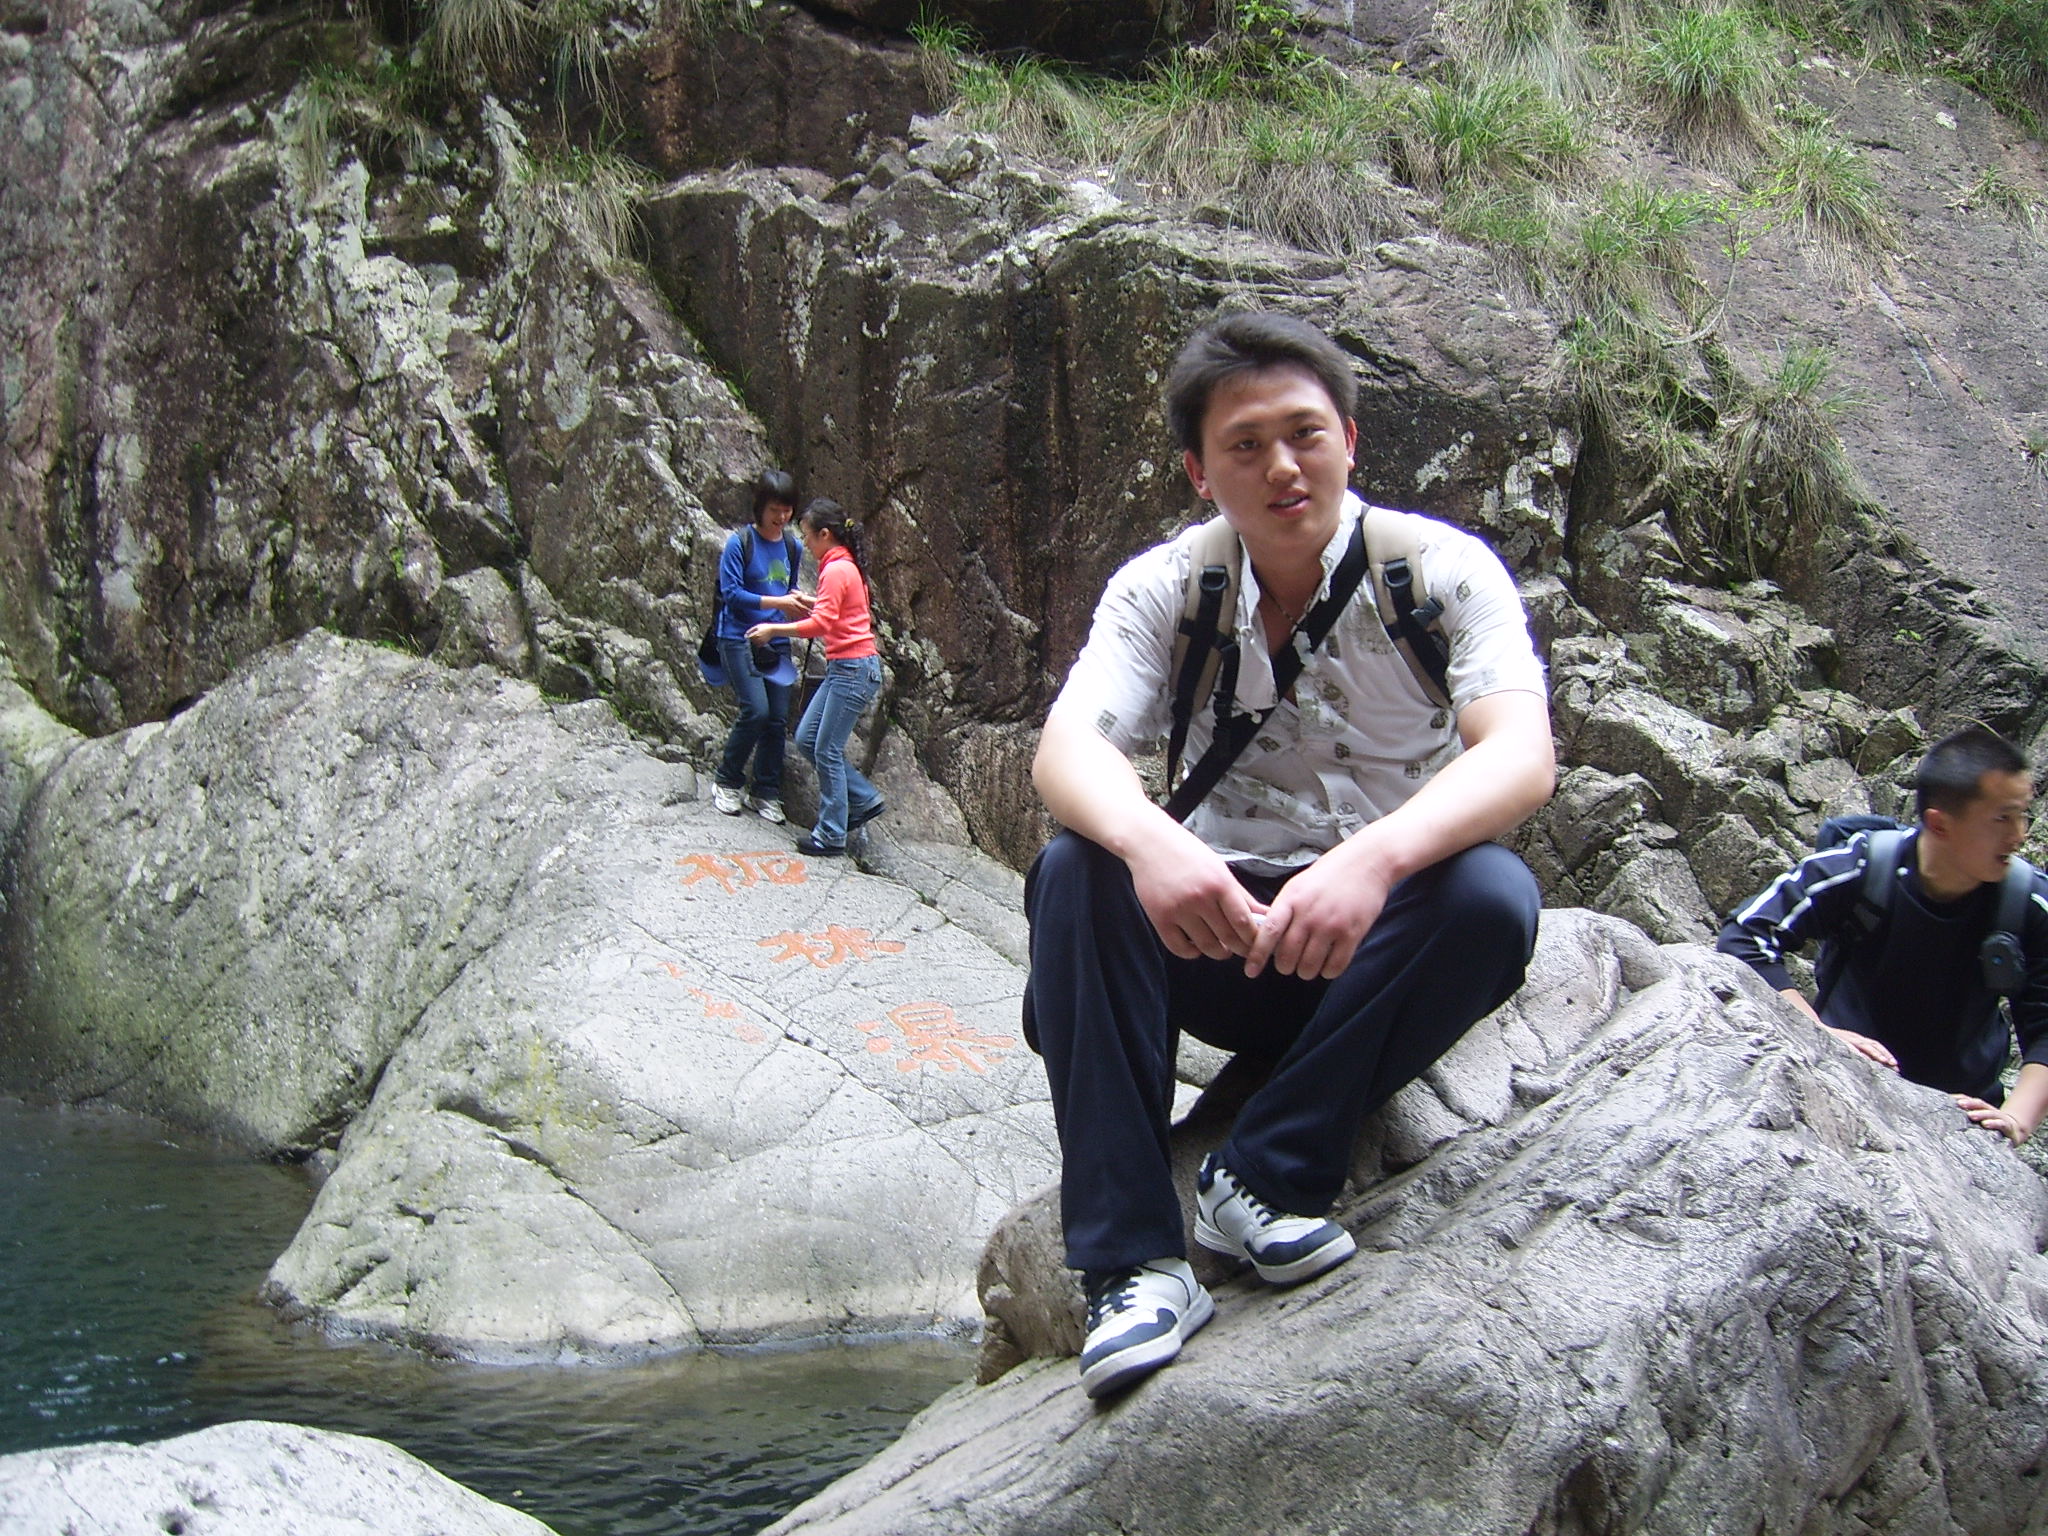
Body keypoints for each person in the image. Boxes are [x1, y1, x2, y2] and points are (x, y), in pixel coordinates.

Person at [1024, 310, 1555, 1400]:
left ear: (1348, 440)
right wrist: (1153, 843)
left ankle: (1264, 1175)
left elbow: (1520, 754)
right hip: (1219, 932)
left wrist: (1375, 862)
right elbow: (1066, 752)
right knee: (1075, 869)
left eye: (1305, 433)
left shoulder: (1438, 572)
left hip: (1365, 948)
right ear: (1197, 471)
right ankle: (1132, 1266)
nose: (1281, 466)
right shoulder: (1165, 588)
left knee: (1493, 896)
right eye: (1244, 443)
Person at [1717, 724, 2048, 1145]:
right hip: (1843, 1089)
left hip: (1964, 1123)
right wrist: (1816, 1033)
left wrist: (2016, 1118)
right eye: (2002, 818)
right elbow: (1745, 936)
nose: (2019, 836)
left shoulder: (2028, 901)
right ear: (1940, 824)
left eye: (2023, 815)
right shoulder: (1862, 868)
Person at [747, 498, 885, 858]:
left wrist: (773, 629)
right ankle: (863, 798)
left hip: (853, 669)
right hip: (846, 669)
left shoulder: (837, 569)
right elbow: (838, 612)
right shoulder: (841, 565)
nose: (805, 543)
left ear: (825, 534)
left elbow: (822, 624)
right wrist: (809, 601)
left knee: (826, 749)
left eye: (808, 536)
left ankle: (831, 834)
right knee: (808, 738)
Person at [710, 470, 811, 824]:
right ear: (760, 507)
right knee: (756, 710)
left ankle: (765, 791)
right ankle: (727, 780)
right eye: (774, 510)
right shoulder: (740, 543)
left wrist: (797, 603)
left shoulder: (793, 547)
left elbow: (788, 588)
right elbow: (732, 594)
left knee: (777, 719)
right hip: (738, 635)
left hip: (776, 638)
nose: (781, 517)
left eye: (787, 510)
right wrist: (779, 603)